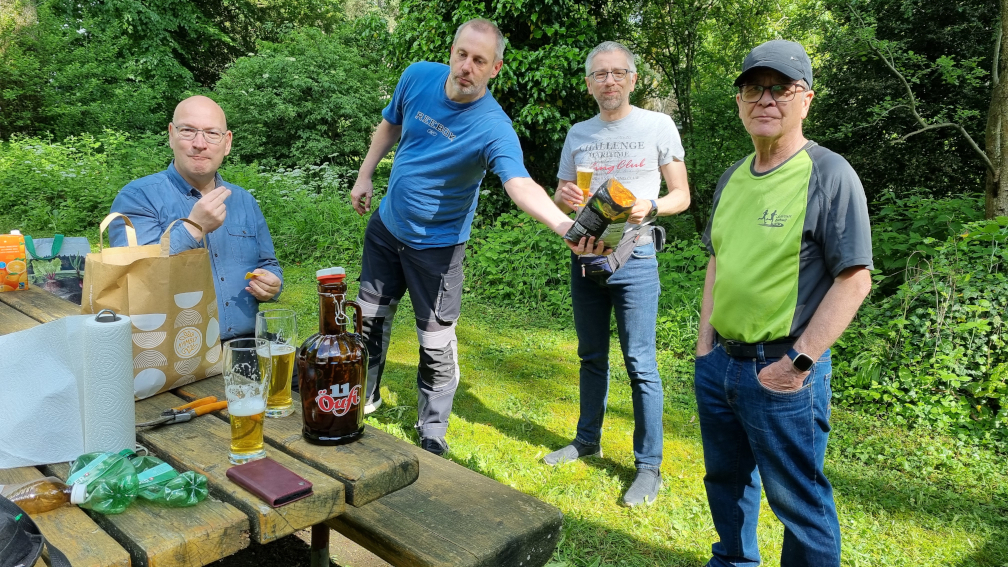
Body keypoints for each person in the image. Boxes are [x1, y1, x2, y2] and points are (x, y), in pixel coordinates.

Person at [350, 18, 591, 457]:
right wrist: (365, 175)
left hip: (438, 248)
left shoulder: (493, 127)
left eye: (479, 60)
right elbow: (390, 125)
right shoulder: (417, 76)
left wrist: (564, 225)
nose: (466, 66)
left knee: (435, 341)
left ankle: (432, 428)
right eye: (462, 54)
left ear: (494, 68)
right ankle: (364, 395)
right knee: (368, 317)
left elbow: (518, 183)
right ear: (451, 52)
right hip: (387, 227)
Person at [694, 40, 873, 566]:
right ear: (739, 102)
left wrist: (797, 363)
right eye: (753, 88)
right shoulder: (732, 176)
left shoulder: (829, 174)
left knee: (799, 503)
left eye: (781, 88)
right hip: (720, 365)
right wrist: (705, 348)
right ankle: (732, 561)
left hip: (783, 370)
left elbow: (854, 279)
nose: (766, 99)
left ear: (806, 100)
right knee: (725, 481)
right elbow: (717, 260)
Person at [544, 41, 690, 508]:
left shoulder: (657, 125)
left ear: (632, 79)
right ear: (589, 84)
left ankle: (649, 467)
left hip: (636, 257)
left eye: (617, 72)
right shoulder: (578, 134)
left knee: (641, 364)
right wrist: (564, 198)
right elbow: (562, 195)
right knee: (591, 356)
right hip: (586, 257)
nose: (609, 81)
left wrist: (652, 205)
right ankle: (587, 440)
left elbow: (682, 195)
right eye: (600, 74)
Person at [109, 95, 283, 342]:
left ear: (227, 142)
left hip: (246, 344)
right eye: (188, 131)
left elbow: (269, 263)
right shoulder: (138, 197)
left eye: (212, 133)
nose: (200, 144)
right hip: (172, 350)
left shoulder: (244, 200)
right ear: (171, 135)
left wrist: (273, 283)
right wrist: (194, 228)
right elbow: (134, 281)